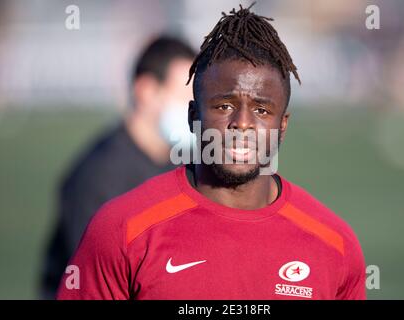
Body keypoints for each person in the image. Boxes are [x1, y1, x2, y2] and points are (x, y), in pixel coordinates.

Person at [57, 5, 366, 300]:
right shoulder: (119, 230)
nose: (242, 124)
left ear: (282, 125)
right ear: (193, 116)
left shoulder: (335, 245)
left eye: (261, 109)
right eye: (224, 106)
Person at [40, 36, 196, 299]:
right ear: (146, 91)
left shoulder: (186, 163)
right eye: (184, 97)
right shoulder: (97, 177)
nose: (194, 110)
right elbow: (95, 278)